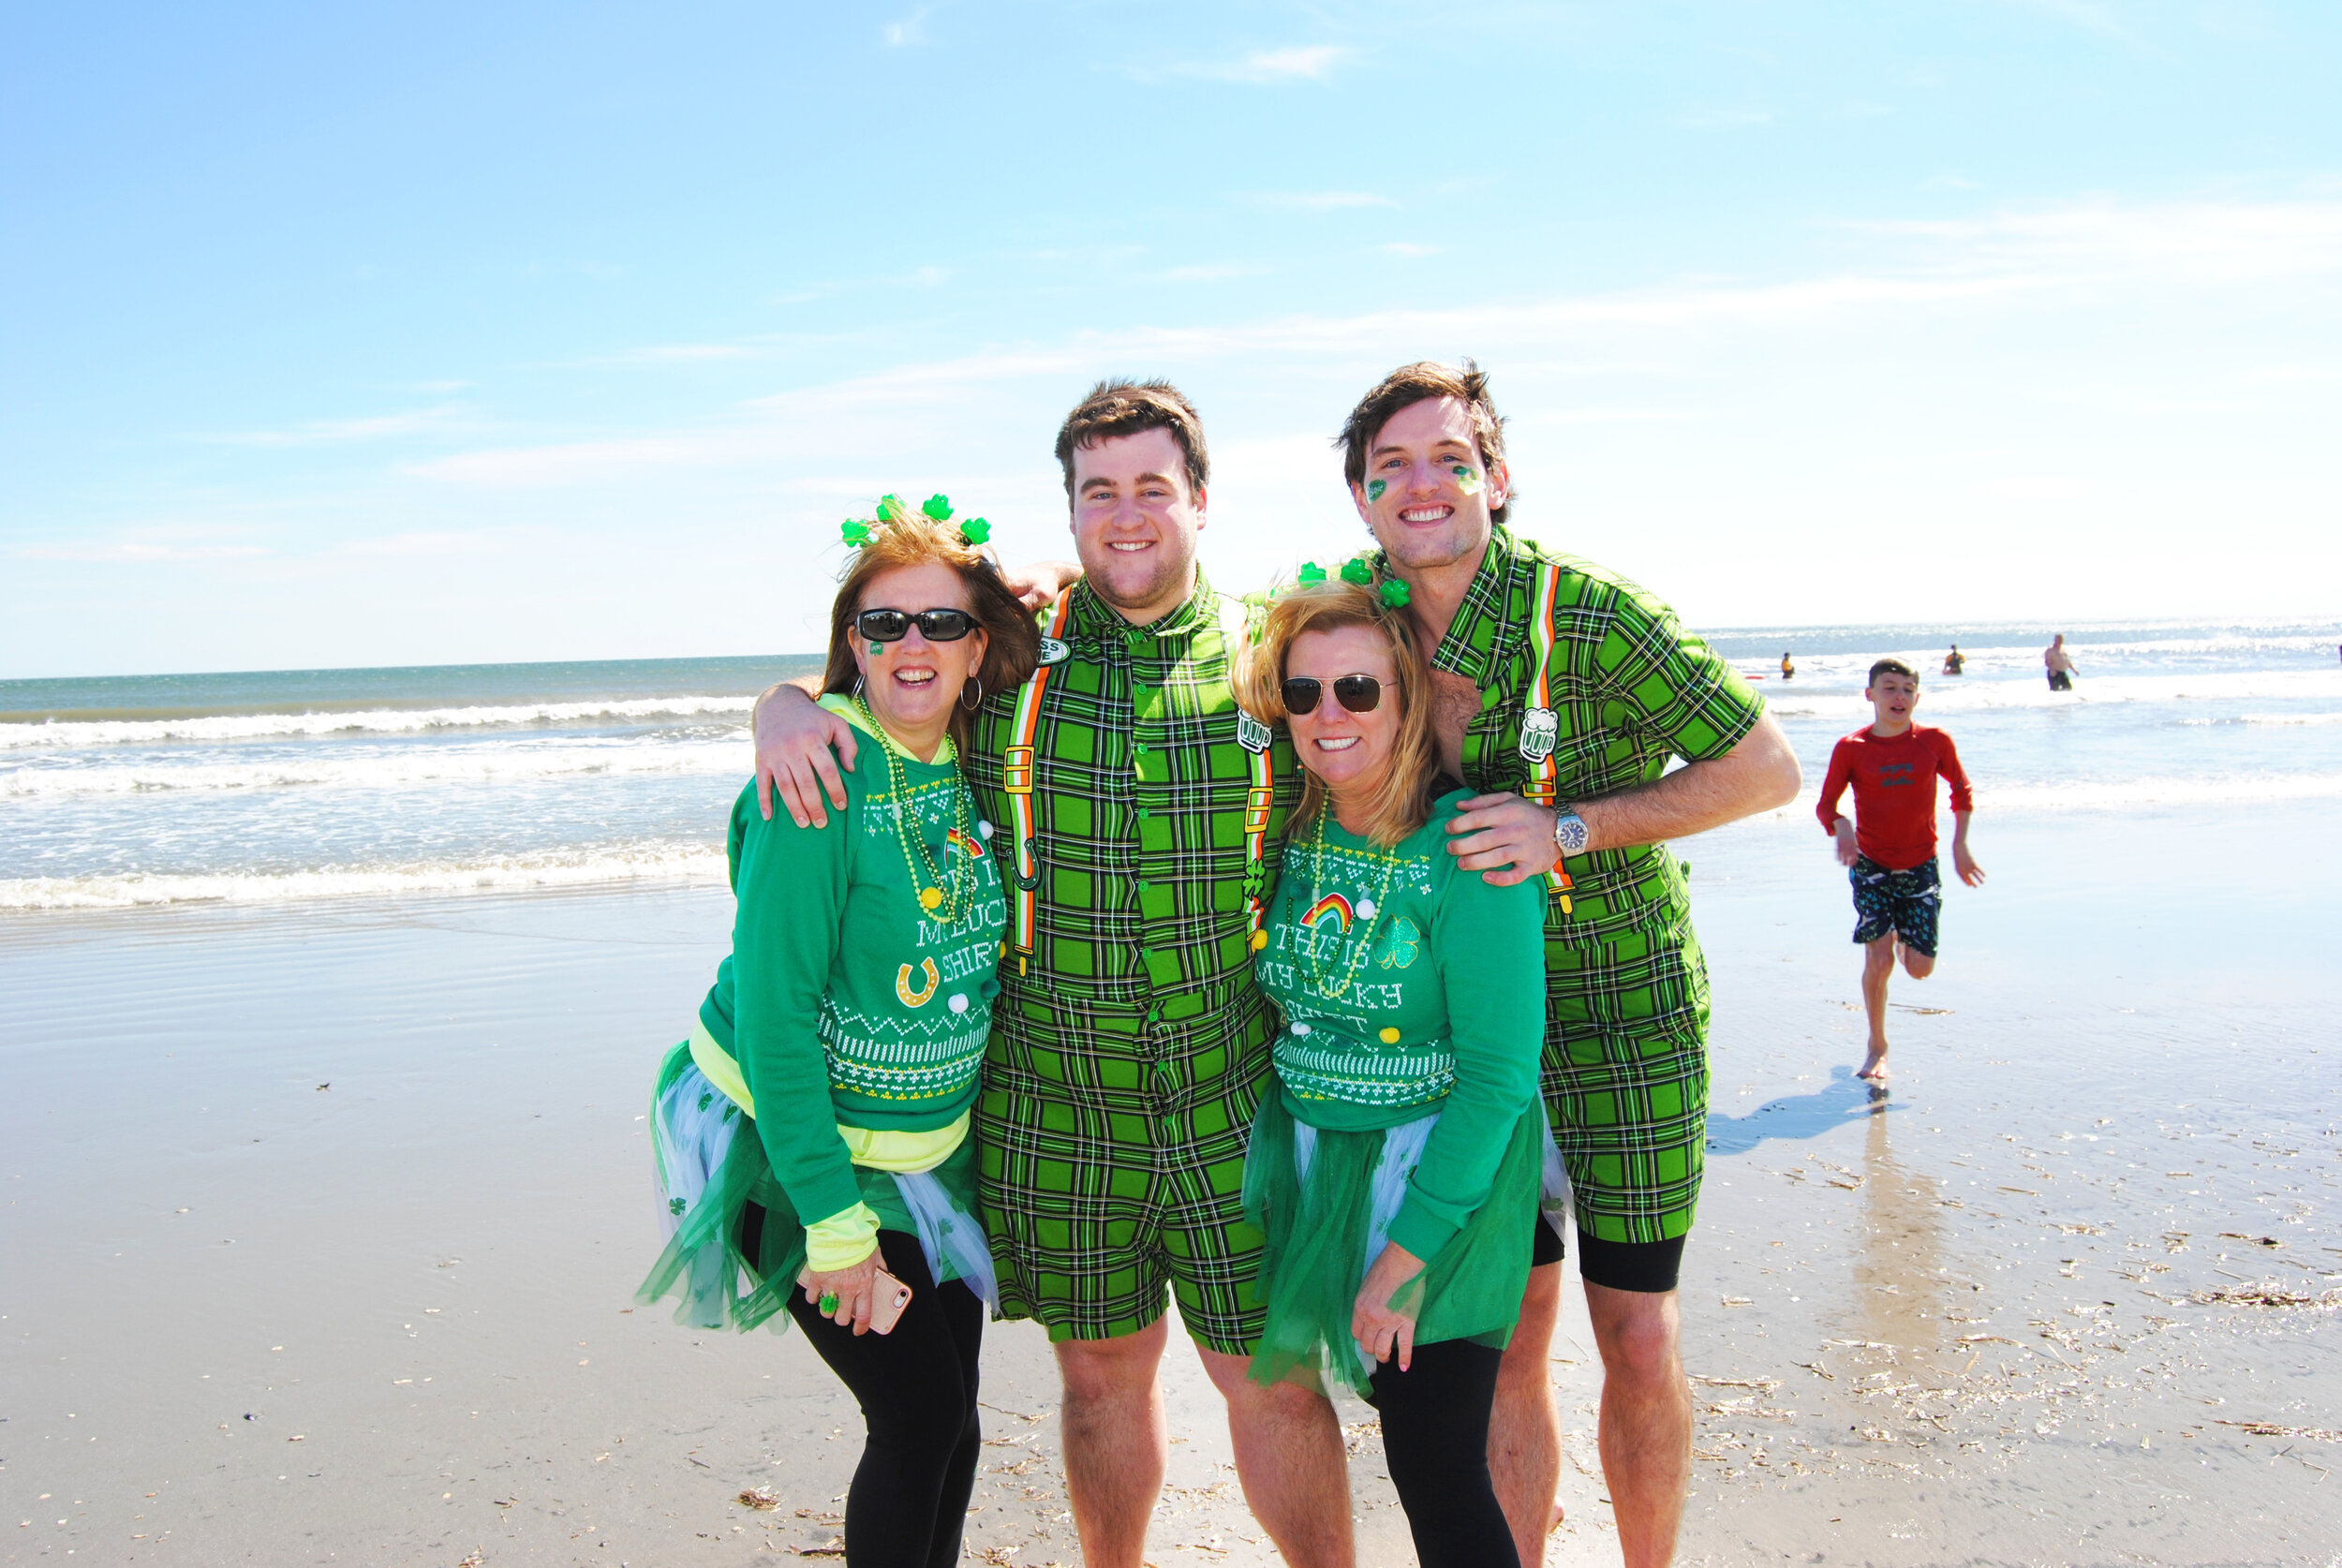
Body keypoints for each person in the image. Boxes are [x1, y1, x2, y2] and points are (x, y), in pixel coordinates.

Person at [750, 384, 1355, 1568]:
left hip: (1231, 1090)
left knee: (1273, 1382)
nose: (1125, 516)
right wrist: (782, 706)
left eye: (1150, 488)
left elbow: (1379, 753)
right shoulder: (1013, 652)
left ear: (1200, 499)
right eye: (1098, 492)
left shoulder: (1272, 654)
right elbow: (888, 668)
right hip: (1053, 1102)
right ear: (1070, 507)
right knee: (1097, 1384)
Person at [1339, 361, 1802, 1568]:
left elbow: (1765, 771)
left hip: (1628, 1016)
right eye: (1390, 468)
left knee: (1636, 1329)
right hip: (1469, 1038)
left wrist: (1573, 825)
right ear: (1361, 500)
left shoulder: (1593, 616)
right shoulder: (1361, 623)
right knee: (1514, 1324)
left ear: (1497, 475)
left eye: (1449, 458)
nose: (1420, 484)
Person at [637, 495, 1038, 1568]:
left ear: (977, 649)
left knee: (953, 1419)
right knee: (914, 1421)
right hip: (792, 1155)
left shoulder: (975, 754)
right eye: (883, 624)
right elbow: (775, 1022)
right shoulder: (814, 780)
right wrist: (834, 1225)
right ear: (850, 647)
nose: (913, 643)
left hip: (922, 1159)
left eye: (941, 624)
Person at [1233, 568, 1549, 1568]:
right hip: (1319, 1167)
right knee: (1395, 1439)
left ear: (1406, 699)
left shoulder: (1471, 848)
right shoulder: (1292, 816)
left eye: (1359, 690)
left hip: (1446, 1192)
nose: (1328, 714)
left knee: (1433, 1466)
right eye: (1303, 692)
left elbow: (1499, 1078)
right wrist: (789, 706)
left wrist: (1403, 1260)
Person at [1815, 658, 1984, 1084]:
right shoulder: (1851, 748)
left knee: (1919, 969)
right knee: (1877, 956)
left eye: (1908, 689)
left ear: (1917, 698)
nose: (1900, 696)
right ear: (1869, 695)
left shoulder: (1934, 741)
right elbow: (1825, 805)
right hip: (1870, 865)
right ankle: (1877, 1045)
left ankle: (1904, 939)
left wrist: (1960, 843)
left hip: (1920, 864)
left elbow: (1961, 790)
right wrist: (1842, 826)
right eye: (1889, 688)